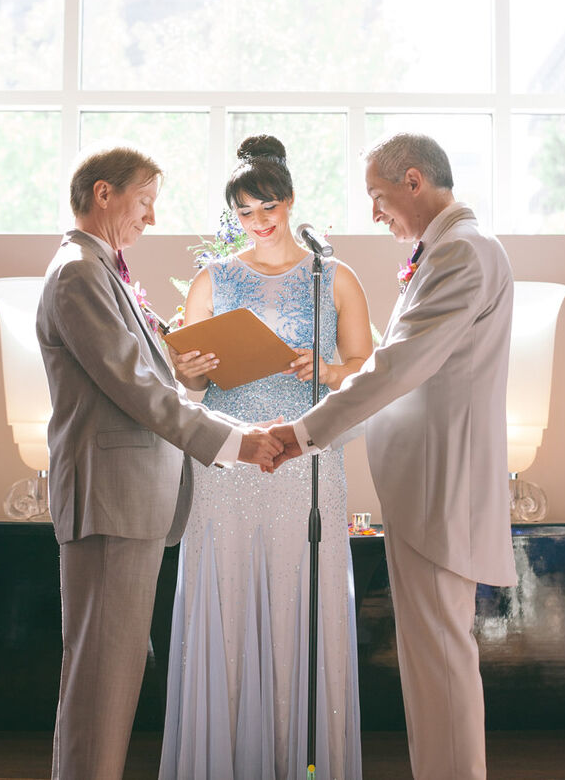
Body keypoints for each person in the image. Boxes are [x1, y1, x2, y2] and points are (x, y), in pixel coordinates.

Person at [270, 133, 517, 780]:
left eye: (378, 197)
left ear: (414, 181)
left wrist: (304, 433)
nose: (375, 213)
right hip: (425, 486)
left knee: (439, 661)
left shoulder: (462, 252)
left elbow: (398, 365)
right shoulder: (444, 250)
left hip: (444, 486)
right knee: (430, 664)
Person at [36, 142, 283, 780]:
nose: (150, 218)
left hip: (130, 503)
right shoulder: (79, 273)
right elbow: (136, 389)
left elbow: (155, 381)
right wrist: (236, 442)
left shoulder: (102, 270)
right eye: (144, 201)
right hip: (111, 498)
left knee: (111, 679)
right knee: (100, 681)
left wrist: (210, 397)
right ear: (103, 193)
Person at [158, 134, 373, 780]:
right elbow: (184, 390)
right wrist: (192, 372)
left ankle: (297, 760)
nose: (259, 222)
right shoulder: (211, 280)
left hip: (306, 462)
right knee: (223, 600)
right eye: (245, 213)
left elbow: (369, 369)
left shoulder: (333, 278)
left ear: (291, 200)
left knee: (299, 600)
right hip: (229, 464)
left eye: (268, 207)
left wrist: (329, 370)